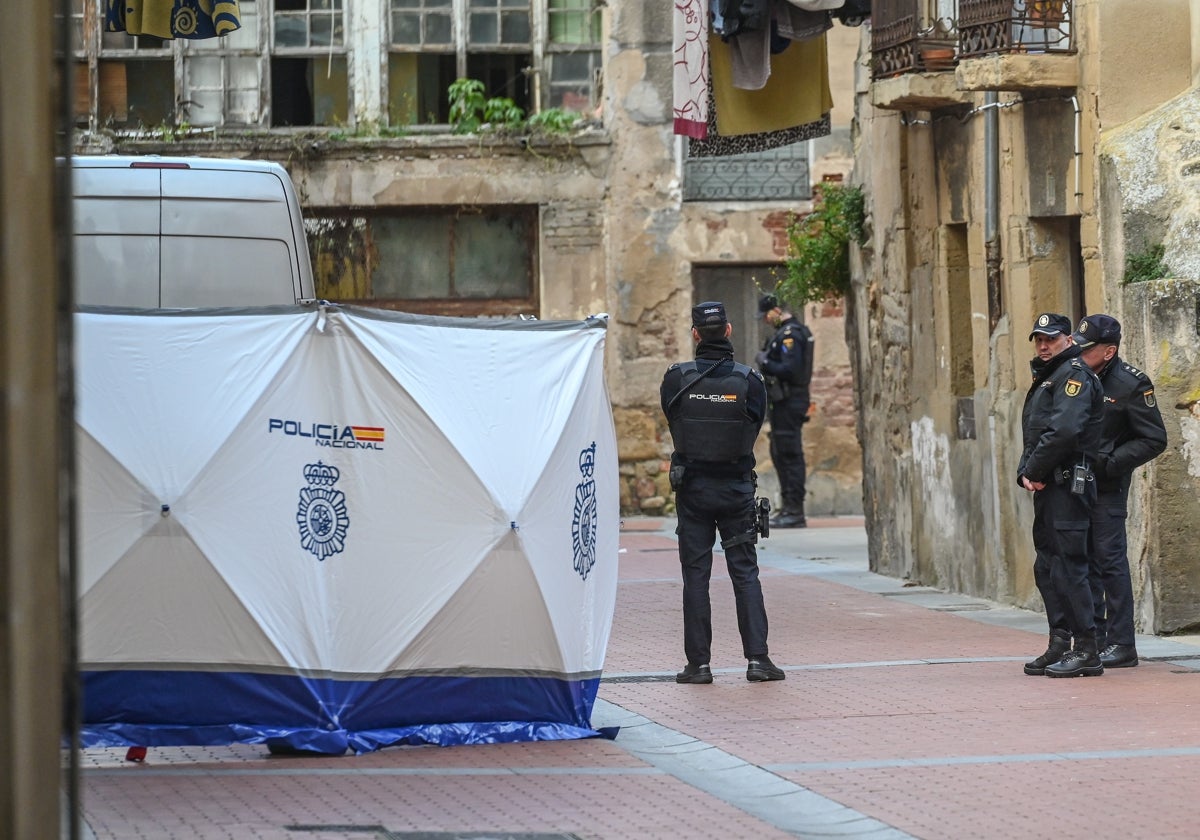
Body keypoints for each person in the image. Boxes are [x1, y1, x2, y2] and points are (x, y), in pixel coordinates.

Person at [661, 301, 785, 684]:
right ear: (728, 331)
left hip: (693, 490)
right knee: (745, 573)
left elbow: (672, 418)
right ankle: (758, 661)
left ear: (696, 334)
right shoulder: (750, 381)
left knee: (696, 577)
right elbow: (756, 423)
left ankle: (698, 666)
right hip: (735, 490)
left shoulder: (675, 379)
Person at [1071, 314, 1168, 668]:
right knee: (1081, 559)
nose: (1079, 354)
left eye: (1087, 349)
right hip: (1074, 483)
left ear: (1109, 351)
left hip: (1107, 486)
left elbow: (1154, 439)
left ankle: (1122, 642)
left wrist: (1110, 462)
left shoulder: (1131, 385)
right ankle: (1092, 640)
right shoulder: (1075, 376)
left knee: (1109, 560)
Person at [1018, 312, 1105, 678]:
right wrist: (1029, 472)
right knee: (1048, 566)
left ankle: (1087, 649)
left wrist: (1033, 470)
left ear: (1068, 340)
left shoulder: (1073, 377)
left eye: (1050, 339)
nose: (1043, 345)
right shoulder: (1049, 377)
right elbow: (1037, 432)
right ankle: (1059, 642)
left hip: (1068, 485)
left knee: (1071, 567)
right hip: (1049, 486)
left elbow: (1064, 431)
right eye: (1038, 339)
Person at [755, 294, 815, 528]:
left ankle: (794, 510)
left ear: (776, 310)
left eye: (766, 316)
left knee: (789, 454)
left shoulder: (791, 335)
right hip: (783, 401)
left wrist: (764, 361)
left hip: (790, 400)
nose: (765, 321)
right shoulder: (789, 332)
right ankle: (789, 506)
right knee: (781, 452)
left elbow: (790, 369)